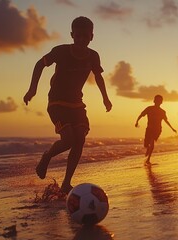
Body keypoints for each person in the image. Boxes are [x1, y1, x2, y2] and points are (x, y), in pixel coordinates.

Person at [23, 16, 112, 193]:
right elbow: (39, 64)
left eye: (85, 36)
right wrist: (32, 89)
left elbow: (99, 76)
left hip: (77, 104)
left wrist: (105, 98)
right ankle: (47, 156)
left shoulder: (93, 56)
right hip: (57, 103)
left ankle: (66, 184)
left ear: (91, 37)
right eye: (78, 36)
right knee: (68, 140)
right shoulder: (61, 51)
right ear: (72, 35)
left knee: (80, 139)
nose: (81, 40)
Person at [135, 95, 177, 165]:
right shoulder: (149, 108)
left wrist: (172, 128)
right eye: (157, 100)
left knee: (152, 141)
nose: (158, 102)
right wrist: (137, 121)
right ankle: (148, 149)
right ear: (154, 101)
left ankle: (148, 159)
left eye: (159, 101)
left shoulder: (162, 112)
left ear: (161, 102)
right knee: (146, 145)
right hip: (149, 128)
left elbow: (166, 121)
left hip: (157, 129)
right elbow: (141, 114)